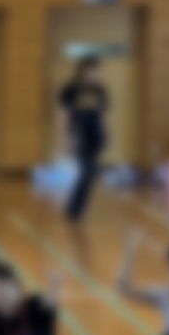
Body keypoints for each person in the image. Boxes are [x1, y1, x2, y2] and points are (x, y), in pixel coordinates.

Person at [58, 55, 110, 222]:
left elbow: (103, 116)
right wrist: (66, 139)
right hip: (79, 135)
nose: (91, 75)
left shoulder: (100, 91)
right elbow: (64, 115)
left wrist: (107, 135)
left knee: (90, 173)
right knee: (86, 171)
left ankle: (76, 208)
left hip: (95, 135)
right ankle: (75, 209)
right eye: (89, 72)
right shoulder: (71, 90)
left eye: (94, 72)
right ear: (81, 72)